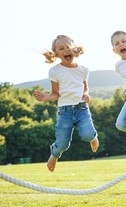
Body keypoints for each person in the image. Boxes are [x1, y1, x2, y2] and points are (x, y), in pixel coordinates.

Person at [33, 35, 99, 172]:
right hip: (65, 112)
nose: (66, 50)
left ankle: (93, 138)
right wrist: (45, 97)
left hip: (82, 108)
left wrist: (86, 94)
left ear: (74, 49)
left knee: (87, 135)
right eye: (61, 48)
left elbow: (85, 88)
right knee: (62, 143)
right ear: (56, 54)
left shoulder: (83, 70)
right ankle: (54, 155)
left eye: (68, 47)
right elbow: (55, 94)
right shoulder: (55, 71)